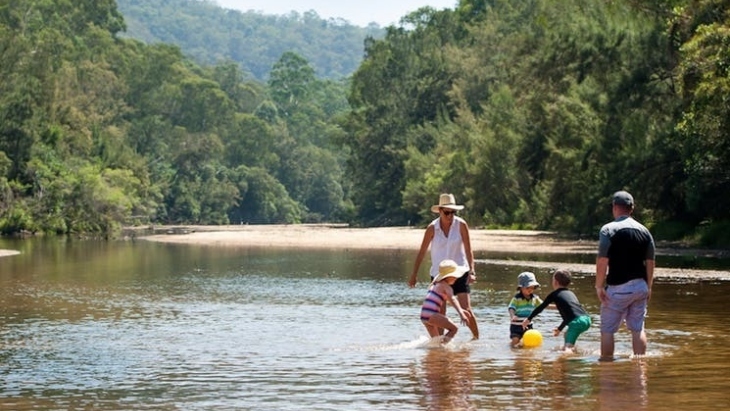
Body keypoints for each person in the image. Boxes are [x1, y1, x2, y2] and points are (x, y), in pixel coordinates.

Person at [408, 193, 479, 339]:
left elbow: (468, 249)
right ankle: (440, 346)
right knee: (440, 313)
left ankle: (476, 339)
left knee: (466, 309)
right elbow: (421, 252)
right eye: (447, 212)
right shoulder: (432, 228)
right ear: (440, 211)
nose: (450, 216)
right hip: (439, 275)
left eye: (453, 212)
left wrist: (472, 271)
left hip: (460, 271)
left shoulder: (461, 225)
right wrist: (414, 274)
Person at [595, 190, 655, 360]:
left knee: (607, 330)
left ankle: (607, 368)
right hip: (641, 287)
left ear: (614, 207)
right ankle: (640, 367)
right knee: (638, 328)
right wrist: (649, 286)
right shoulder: (645, 231)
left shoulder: (608, 229)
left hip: (618, 288)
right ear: (632, 208)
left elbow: (602, 260)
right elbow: (650, 262)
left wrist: (599, 286)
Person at [522, 269, 592, 352]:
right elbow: (569, 316)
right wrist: (560, 329)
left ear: (555, 282)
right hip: (587, 319)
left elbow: (541, 307)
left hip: (576, 322)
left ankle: (568, 358)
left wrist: (529, 319)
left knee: (567, 349)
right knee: (566, 335)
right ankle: (573, 352)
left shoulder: (554, 295)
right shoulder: (571, 293)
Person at [420, 260, 473, 343]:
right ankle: (444, 348)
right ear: (449, 276)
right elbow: (452, 299)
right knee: (454, 329)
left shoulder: (436, 284)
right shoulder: (446, 287)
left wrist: (461, 310)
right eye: (455, 276)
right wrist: (461, 313)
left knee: (436, 342)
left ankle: (439, 352)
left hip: (424, 315)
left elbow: (449, 300)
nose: (457, 278)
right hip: (431, 314)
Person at [508, 271, 543, 347]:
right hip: (516, 326)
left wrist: (558, 306)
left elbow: (544, 305)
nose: (530, 290)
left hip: (528, 325)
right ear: (521, 288)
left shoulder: (535, 298)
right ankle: (511, 349)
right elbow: (511, 308)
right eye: (527, 287)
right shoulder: (517, 298)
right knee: (515, 341)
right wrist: (512, 316)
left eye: (532, 287)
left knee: (526, 344)